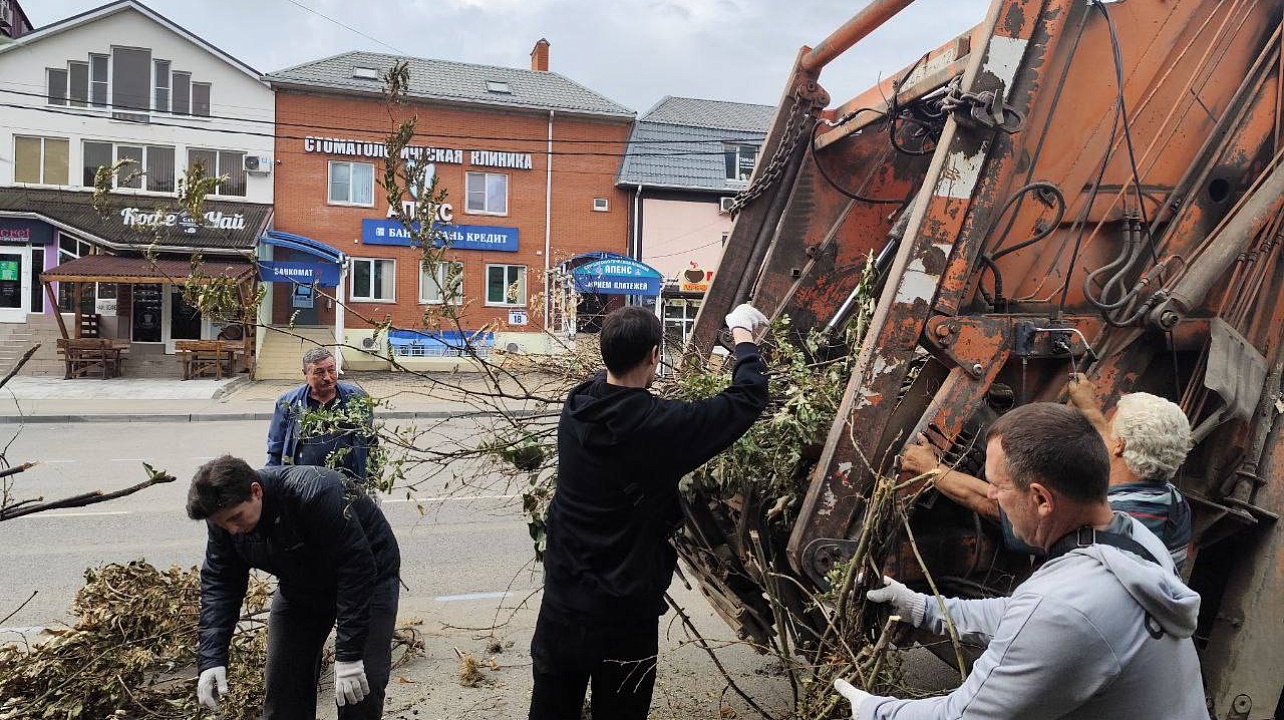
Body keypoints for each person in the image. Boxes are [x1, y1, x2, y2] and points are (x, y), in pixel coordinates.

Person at [836, 402, 1205, 719]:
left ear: (1043, 499)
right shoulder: (1133, 539)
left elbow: (962, 715)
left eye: (999, 485)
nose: (992, 494)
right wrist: (921, 607)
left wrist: (872, 709)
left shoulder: (1065, 607)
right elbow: (1019, 615)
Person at [529, 303, 772, 720]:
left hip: (563, 605)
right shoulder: (659, 427)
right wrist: (742, 334)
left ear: (603, 355)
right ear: (655, 356)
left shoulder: (577, 408)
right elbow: (746, 398)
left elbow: (620, 391)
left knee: (550, 711)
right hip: (625, 616)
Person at [900, 374, 1193, 570]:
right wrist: (1089, 408)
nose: (1105, 424)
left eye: (1111, 420)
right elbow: (1114, 445)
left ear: (1119, 447)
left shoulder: (1097, 525)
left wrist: (931, 469)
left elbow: (995, 504)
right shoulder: (1174, 503)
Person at [188, 456, 401, 720]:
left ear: (256, 491)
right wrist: (211, 659)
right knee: (283, 687)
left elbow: (356, 568)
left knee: (360, 690)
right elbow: (221, 583)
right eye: (223, 524)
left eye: (236, 518)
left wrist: (348, 655)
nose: (233, 530)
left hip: (368, 579)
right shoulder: (224, 518)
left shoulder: (314, 493)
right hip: (301, 584)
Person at [266, 347, 376, 483]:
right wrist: (270, 483)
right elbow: (276, 448)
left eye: (331, 370)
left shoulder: (357, 398)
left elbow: (370, 442)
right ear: (305, 374)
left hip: (348, 485)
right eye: (319, 372)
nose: (327, 377)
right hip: (302, 485)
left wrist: (370, 482)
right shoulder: (287, 403)